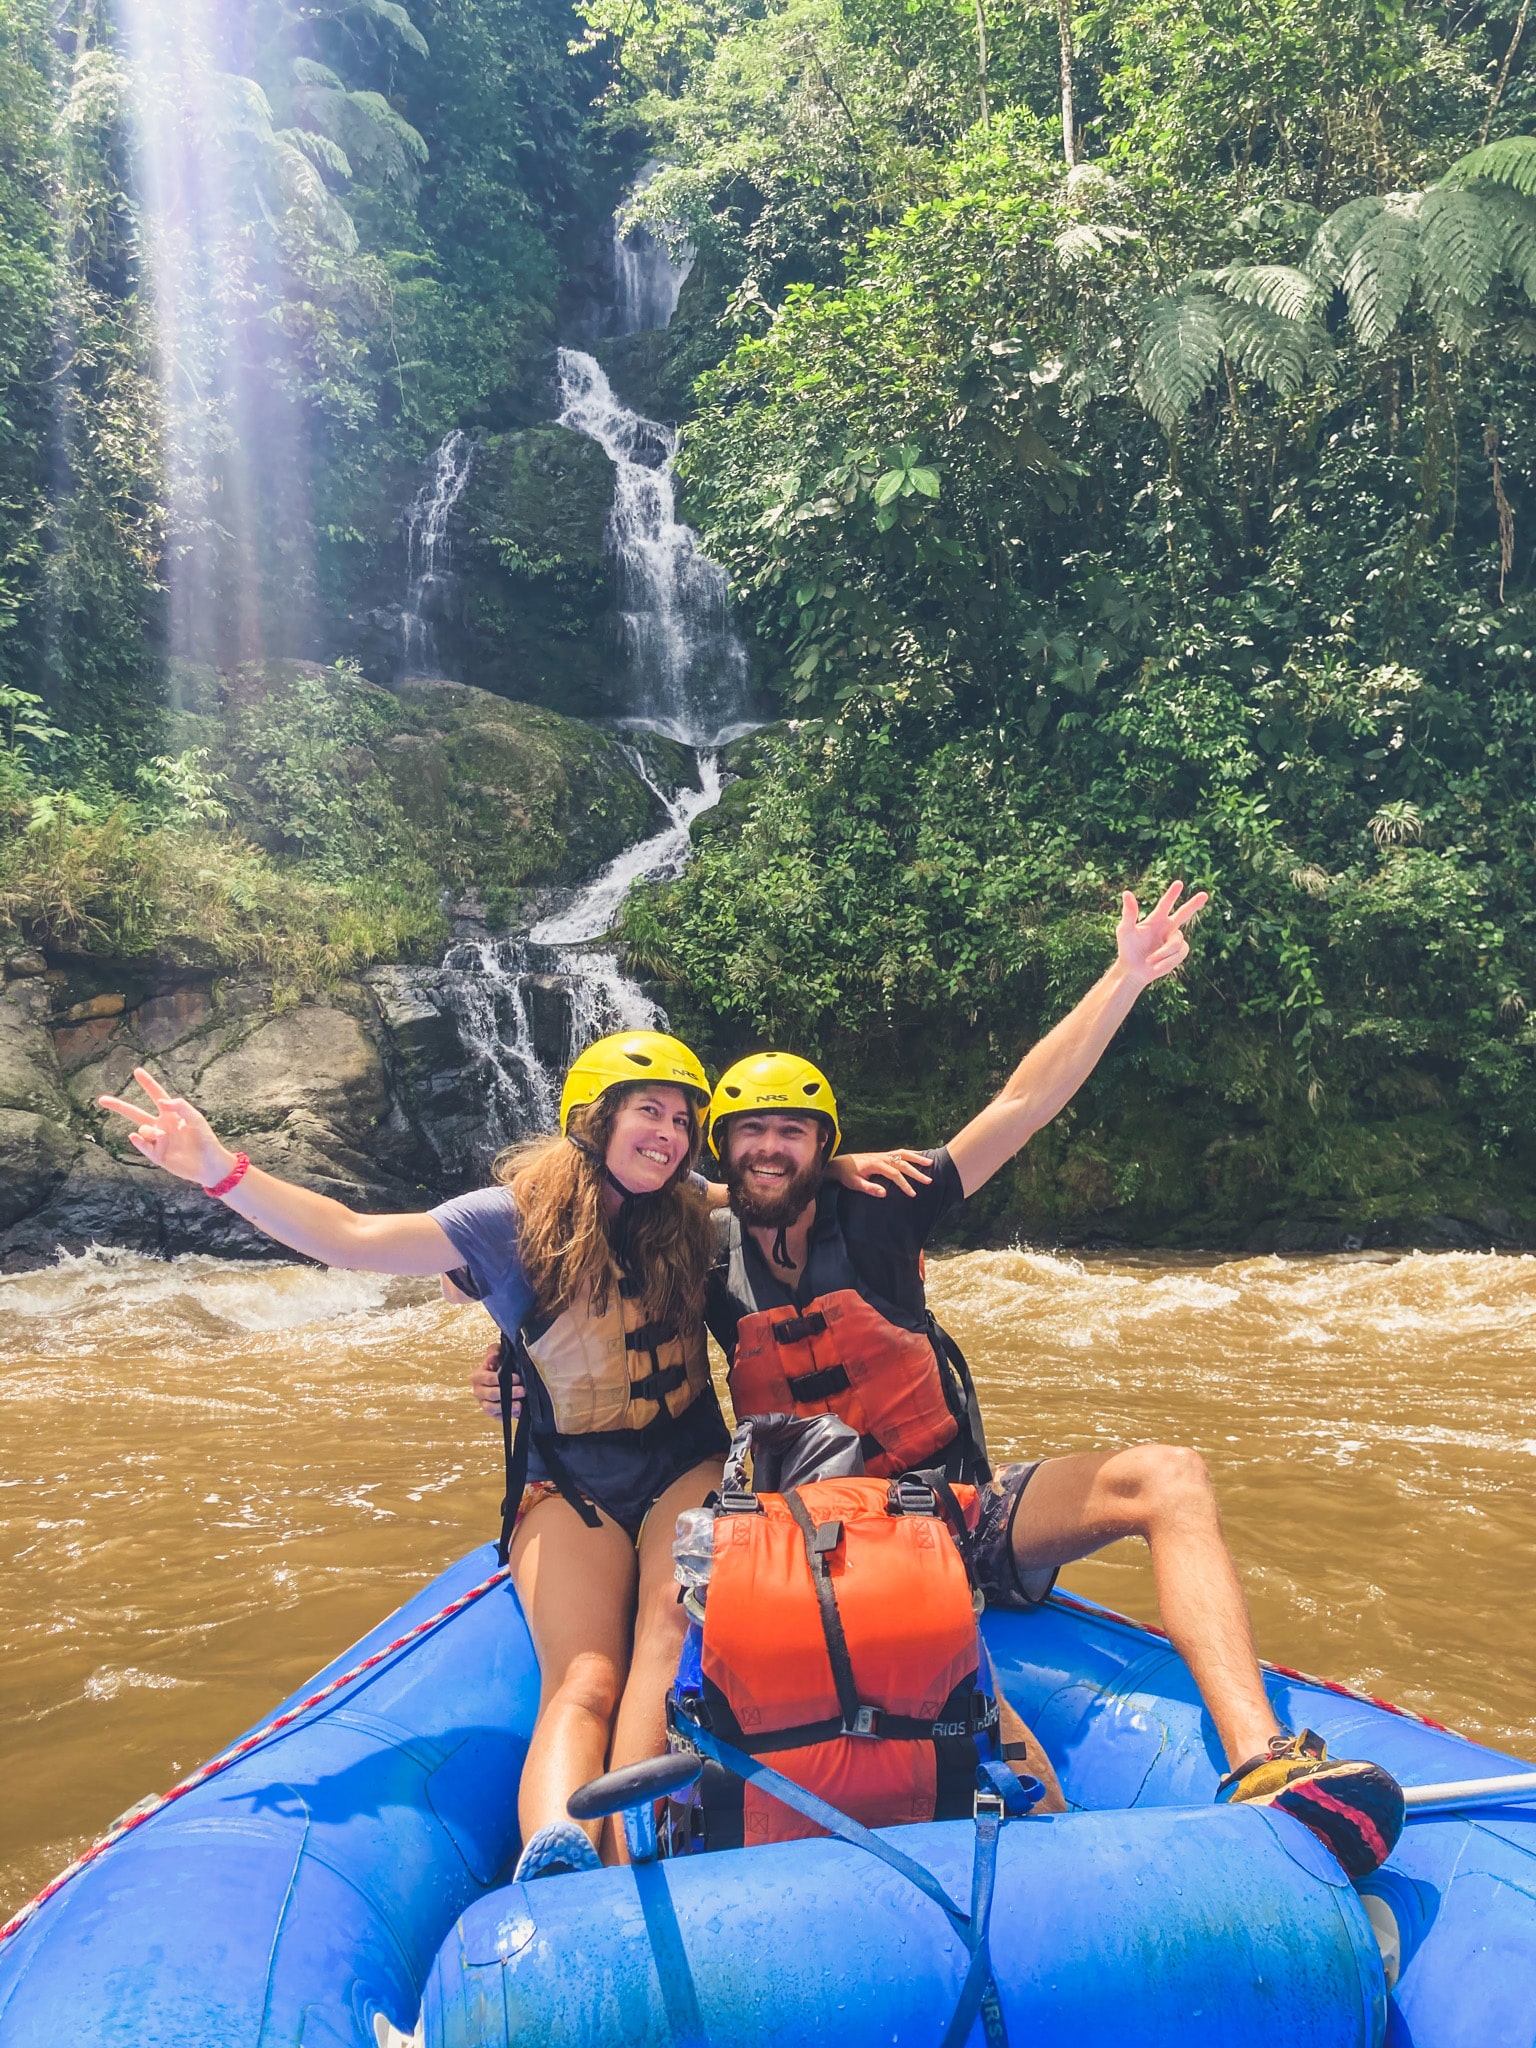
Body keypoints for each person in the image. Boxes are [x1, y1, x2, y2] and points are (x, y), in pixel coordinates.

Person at [474, 883, 1405, 1878]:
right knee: (848, 1667)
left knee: (1167, 1474)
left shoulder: (884, 1210)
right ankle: (650, 1859)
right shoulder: (697, 1251)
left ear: (823, 1146)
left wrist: (1124, 975)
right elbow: (596, 1266)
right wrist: (513, 1360)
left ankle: (1262, 1759)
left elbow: (1022, 1103)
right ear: (722, 1151)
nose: (771, 1145)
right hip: (822, 1546)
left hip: (954, 1507)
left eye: (793, 1129)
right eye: (750, 1131)